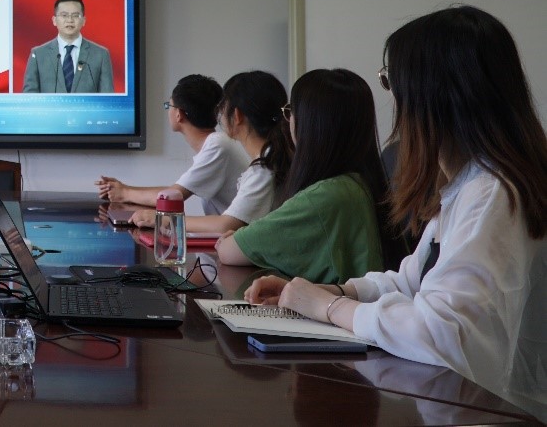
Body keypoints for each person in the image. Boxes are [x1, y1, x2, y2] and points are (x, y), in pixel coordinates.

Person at [245, 6, 547, 420]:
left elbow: (440, 331)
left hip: (499, 411)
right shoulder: (470, 184)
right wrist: (334, 292)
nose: (394, 101)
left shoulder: (491, 193)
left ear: (433, 94)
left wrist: (327, 309)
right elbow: (413, 280)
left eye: (390, 82)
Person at [217, 68, 405, 284]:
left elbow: (230, 251)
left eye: (290, 112)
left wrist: (234, 239)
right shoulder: (359, 183)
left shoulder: (325, 196)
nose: (288, 121)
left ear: (309, 123)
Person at [130, 71, 293, 233]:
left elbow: (227, 224)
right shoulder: (271, 158)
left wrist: (165, 220)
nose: (219, 114)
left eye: (223, 107)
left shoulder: (262, 168)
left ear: (237, 115)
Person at [97, 74, 247, 214]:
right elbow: (172, 191)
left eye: (169, 106)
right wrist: (123, 188)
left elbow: (171, 197)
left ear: (179, 114)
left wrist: (124, 193)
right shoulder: (216, 143)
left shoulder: (218, 146)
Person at [21, 0, 115, 93]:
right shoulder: (38, 54)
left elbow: (108, 95)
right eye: (64, 15)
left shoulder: (100, 55)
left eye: (75, 15)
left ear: (84, 21)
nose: (70, 20)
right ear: (54, 20)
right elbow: (29, 95)